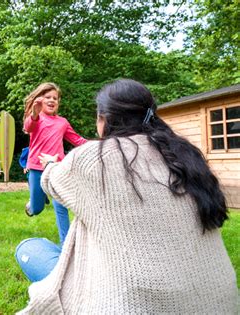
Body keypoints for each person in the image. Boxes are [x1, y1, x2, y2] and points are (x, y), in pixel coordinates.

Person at [15, 79, 237, 313]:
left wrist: (51, 165)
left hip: (127, 305)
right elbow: (29, 126)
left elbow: (52, 181)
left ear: (104, 118)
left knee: (29, 248)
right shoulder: (185, 156)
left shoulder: (94, 158)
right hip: (221, 303)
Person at [23, 82, 86, 245]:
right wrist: (34, 115)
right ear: (39, 100)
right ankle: (32, 204)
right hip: (37, 167)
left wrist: (96, 145)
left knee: (61, 206)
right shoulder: (35, 118)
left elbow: (76, 139)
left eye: (55, 98)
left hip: (58, 167)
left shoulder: (62, 122)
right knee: (37, 209)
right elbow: (28, 127)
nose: (52, 100)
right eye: (47, 97)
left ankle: (65, 244)